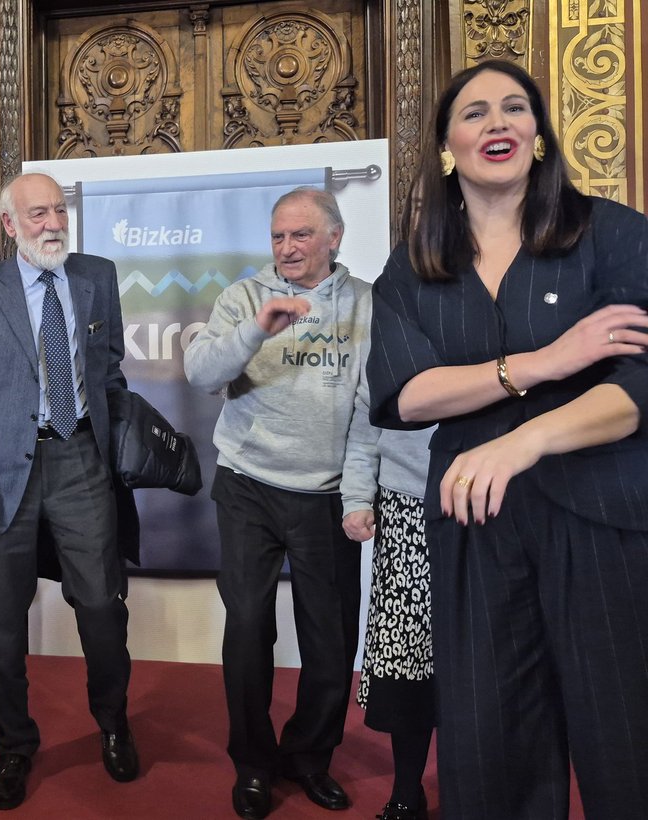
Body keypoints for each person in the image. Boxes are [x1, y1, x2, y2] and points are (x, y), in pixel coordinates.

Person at [368, 58, 648, 819]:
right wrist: (547, 363)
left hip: (602, 522)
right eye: (475, 112)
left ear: (539, 135)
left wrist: (523, 441)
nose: (497, 123)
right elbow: (407, 392)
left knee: (625, 739)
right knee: (491, 747)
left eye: (515, 108)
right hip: (474, 527)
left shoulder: (612, 233)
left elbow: (635, 391)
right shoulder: (415, 268)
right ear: (445, 145)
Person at [0, 172, 139, 811]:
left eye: (58, 210)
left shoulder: (97, 275)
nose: (53, 224)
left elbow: (109, 371)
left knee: (103, 608)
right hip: (3, 474)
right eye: (37, 215)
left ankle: (113, 723)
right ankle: (15, 745)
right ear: (9, 225)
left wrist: (115, 453)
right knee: (2, 625)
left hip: (81, 461)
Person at [184, 186, 377, 819]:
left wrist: (356, 495)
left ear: (334, 239)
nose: (287, 248)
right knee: (248, 631)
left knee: (330, 642)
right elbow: (203, 373)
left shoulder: (364, 305)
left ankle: (308, 756)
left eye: (300, 235)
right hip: (248, 487)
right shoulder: (243, 297)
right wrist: (256, 329)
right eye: (277, 237)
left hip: (324, 497)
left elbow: (366, 410)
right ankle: (253, 763)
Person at [355, 427, 435, 820]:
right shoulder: (386, 360)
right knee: (407, 658)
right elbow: (366, 421)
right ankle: (405, 794)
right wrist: (356, 495)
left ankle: (476, 786)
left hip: (496, 489)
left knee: (483, 659)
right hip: (406, 499)